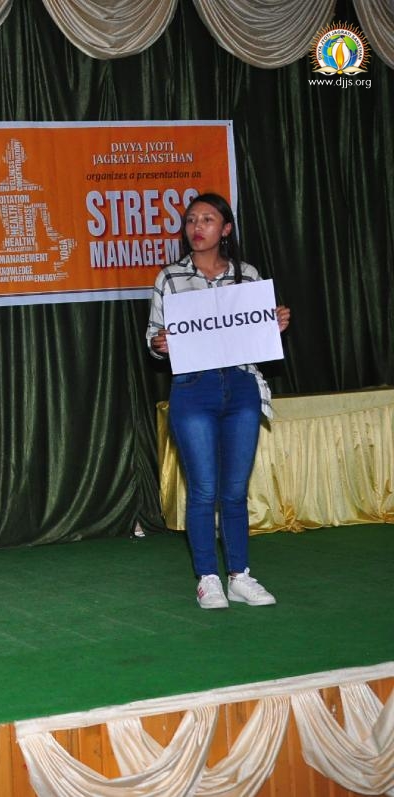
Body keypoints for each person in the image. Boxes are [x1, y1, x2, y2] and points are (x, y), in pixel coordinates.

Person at [145, 192, 291, 609]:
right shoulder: (169, 277)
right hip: (194, 388)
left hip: (242, 385)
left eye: (207, 220)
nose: (197, 227)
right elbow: (154, 338)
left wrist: (273, 324)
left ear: (225, 229)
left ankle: (239, 575)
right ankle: (207, 577)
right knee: (204, 489)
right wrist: (160, 343)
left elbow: (255, 332)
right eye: (191, 220)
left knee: (234, 490)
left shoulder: (246, 275)